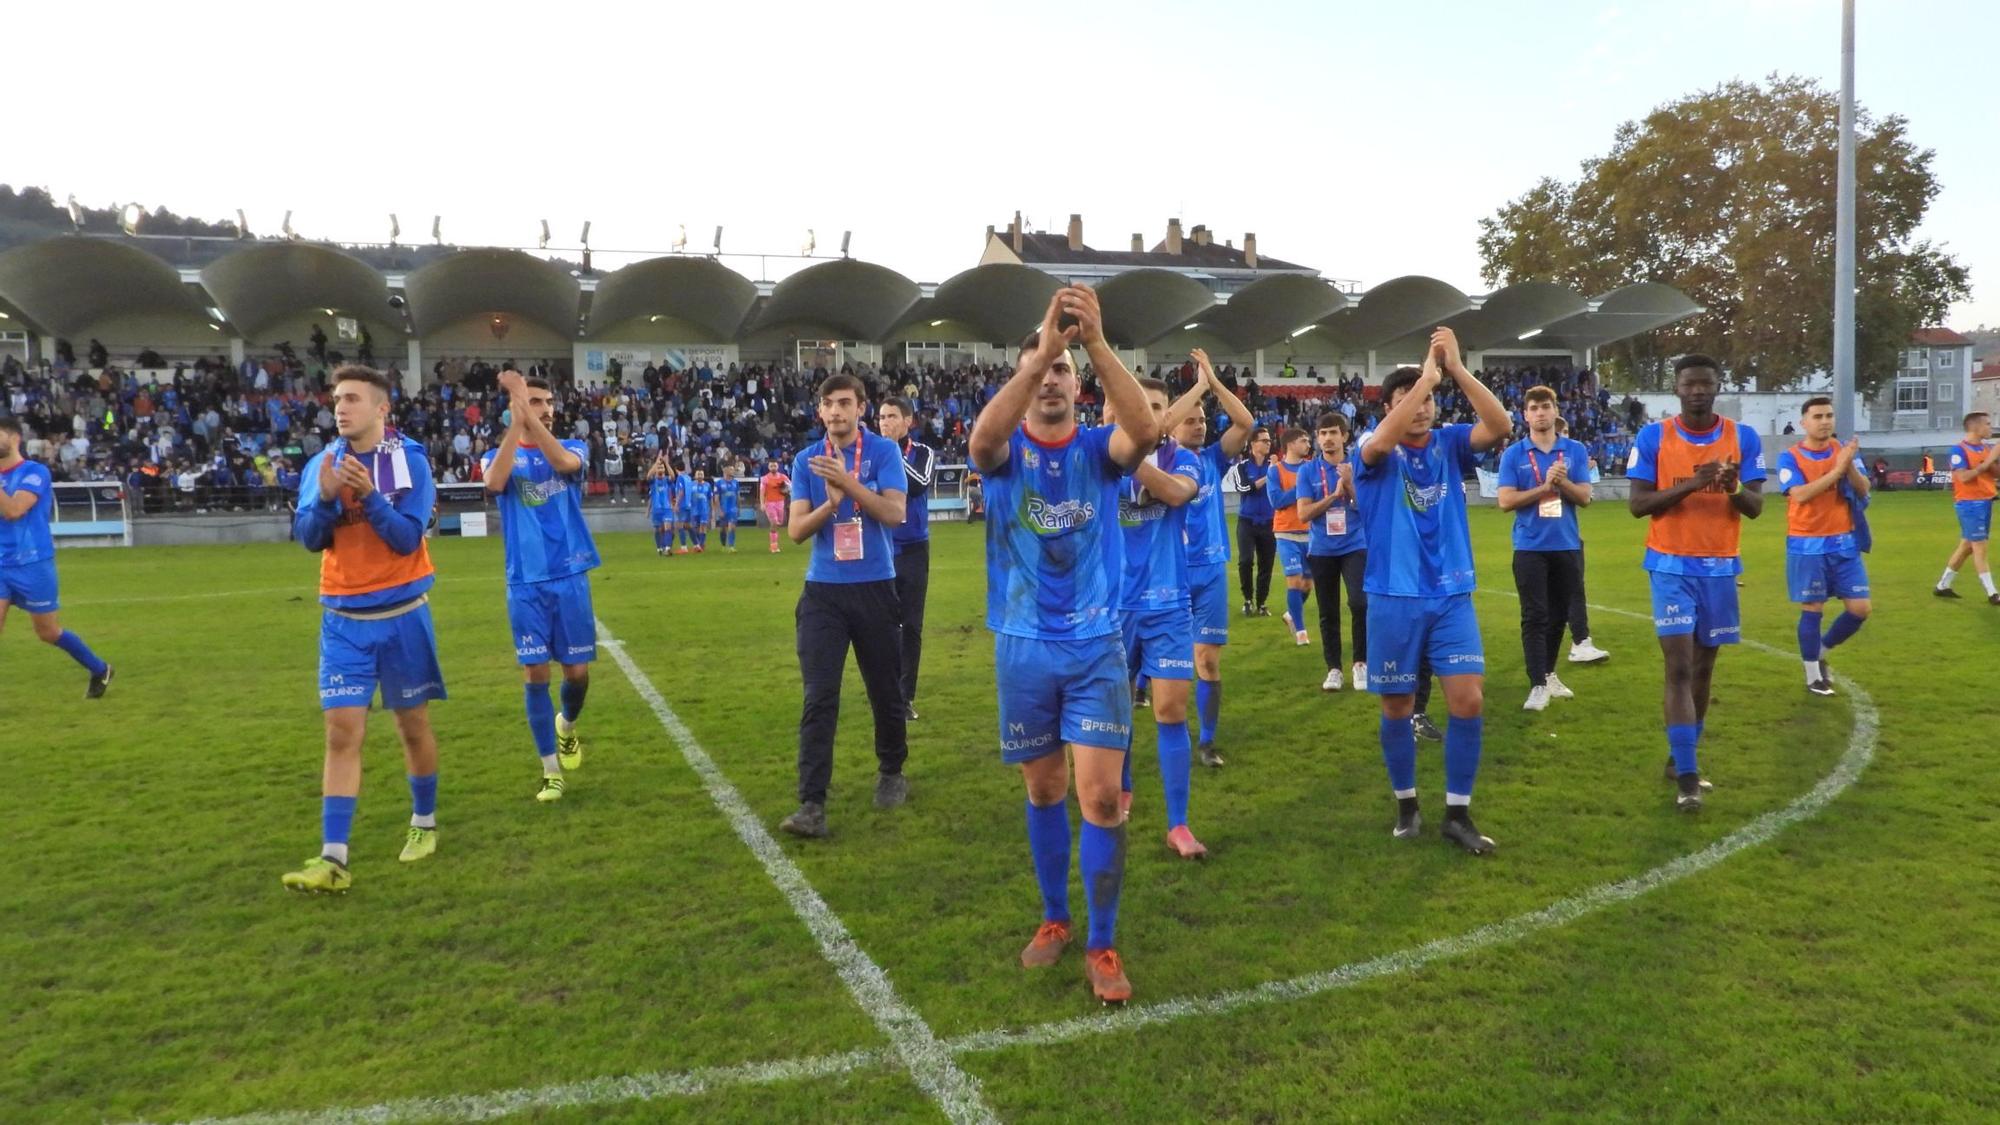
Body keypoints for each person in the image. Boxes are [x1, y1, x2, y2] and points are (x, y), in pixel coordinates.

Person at [969, 285, 1154, 1004]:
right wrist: (1042, 351)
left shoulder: (1097, 450)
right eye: (1040, 369)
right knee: (1044, 788)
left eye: (1060, 371)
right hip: (1022, 647)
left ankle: (1103, 944)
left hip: (1094, 646)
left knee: (1102, 799)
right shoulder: (1004, 451)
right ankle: (1055, 918)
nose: (1050, 378)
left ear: (1077, 386)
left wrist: (1096, 346)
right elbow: (981, 443)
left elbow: (1141, 432)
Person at [283, 365, 444, 893]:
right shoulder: (320, 464)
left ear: (382, 409)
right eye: (336, 400)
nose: (340, 408)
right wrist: (327, 498)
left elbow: (405, 539)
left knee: (411, 728)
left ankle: (423, 823)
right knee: (341, 732)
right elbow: (308, 538)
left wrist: (370, 496)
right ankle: (334, 858)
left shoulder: (408, 460)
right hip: (344, 622)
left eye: (352, 398)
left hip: (402, 617)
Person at [1355, 328, 1511, 854]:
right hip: (1393, 599)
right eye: (1408, 402)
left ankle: (1458, 814)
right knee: (1397, 705)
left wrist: (1457, 370)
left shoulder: (1449, 443)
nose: (1421, 409)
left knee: (1467, 700)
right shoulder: (1370, 448)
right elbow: (1380, 442)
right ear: (1391, 407)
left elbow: (1501, 425)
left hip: (1451, 596)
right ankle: (1406, 803)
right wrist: (1424, 378)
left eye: (1427, 402)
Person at [1626, 354, 1766, 812]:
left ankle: (1680, 755)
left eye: (1706, 383)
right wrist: (1692, 483)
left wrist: (1729, 487)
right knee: (1679, 667)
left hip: (1721, 567)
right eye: (1690, 384)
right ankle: (1688, 778)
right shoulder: (1653, 436)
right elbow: (1639, 505)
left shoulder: (1741, 437)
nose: (1698, 391)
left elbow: (1755, 507)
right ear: (1677, 389)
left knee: (1704, 669)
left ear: (1718, 386)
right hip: (1670, 567)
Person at [777, 373, 910, 839]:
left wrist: (849, 486)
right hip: (823, 593)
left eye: (845, 403)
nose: (836, 411)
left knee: (884, 691)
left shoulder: (883, 452)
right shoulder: (805, 460)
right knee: (820, 697)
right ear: (819, 411)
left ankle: (892, 771)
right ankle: (812, 803)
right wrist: (830, 505)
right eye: (828, 404)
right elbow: (795, 531)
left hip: (875, 586)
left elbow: (895, 513)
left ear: (861, 409)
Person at [482, 370, 600, 802]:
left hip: (570, 577)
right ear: (515, 409)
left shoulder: (572, 447)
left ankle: (566, 725)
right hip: (525, 582)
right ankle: (550, 771)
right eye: (535, 402)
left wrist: (527, 418)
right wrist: (518, 423)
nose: (547, 409)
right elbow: (493, 484)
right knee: (535, 672)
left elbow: (564, 466)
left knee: (578, 675)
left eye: (549, 402)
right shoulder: (499, 457)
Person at [1110, 377, 1206, 859]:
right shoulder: (1098, 455)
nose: (1145, 414)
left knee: (1170, 711)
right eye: (1137, 407)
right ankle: (1123, 787)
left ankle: (1178, 824)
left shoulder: (1185, 457)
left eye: (1154, 408)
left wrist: (1135, 454)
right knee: (1117, 709)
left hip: (1168, 603)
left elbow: (1173, 494)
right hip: (1110, 607)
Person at [1160, 349, 1253, 766]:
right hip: (1170, 570)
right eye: (1190, 420)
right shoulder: (1160, 459)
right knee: (1169, 662)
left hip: (1211, 569)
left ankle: (1206, 742)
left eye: (1202, 420)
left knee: (1207, 659)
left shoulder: (1214, 459)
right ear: (1174, 427)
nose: (1199, 426)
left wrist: (1213, 383)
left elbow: (1245, 423)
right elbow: (1153, 426)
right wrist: (1196, 387)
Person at [1496, 386, 1596, 711]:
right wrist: (1544, 487)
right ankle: (1537, 684)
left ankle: (1549, 673)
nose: (1540, 413)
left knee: (1558, 617)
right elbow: (1505, 501)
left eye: (1545, 407)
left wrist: (1562, 482)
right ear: (1525, 415)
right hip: (1529, 547)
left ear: (1556, 411)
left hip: (1566, 545)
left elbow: (1584, 497)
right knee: (1535, 615)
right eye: (1534, 408)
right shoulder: (1514, 454)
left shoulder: (1575, 450)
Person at [0, 417, 113, 698]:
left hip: (33, 564)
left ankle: (100, 669)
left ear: (15, 438)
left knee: (47, 632)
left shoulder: (34, 472)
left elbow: (14, 510)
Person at [1776, 396, 1871, 696]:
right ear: (1804, 422)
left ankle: (1820, 650)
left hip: (1844, 541)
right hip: (1807, 543)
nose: (1825, 421)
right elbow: (1800, 495)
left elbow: (1864, 488)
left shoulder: (1844, 451)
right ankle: (1813, 675)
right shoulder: (1789, 457)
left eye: (1829, 415)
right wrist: (1835, 471)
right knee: (1813, 607)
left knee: (1860, 608)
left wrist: (1848, 465)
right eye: (1817, 416)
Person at [1296, 411, 1367, 693]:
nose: (1327, 438)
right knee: (1328, 611)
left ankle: (1360, 663)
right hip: (1322, 548)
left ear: (1345, 436)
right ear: (1317, 438)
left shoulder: (1359, 466)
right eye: (1322, 433)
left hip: (1355, 544)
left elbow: (1368, 509)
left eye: (1333, 432)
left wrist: (1349, 484)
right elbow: (1303, 513)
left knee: (1360, 603)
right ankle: (1334, 669)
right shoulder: (1308, 471)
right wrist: (1333, 496)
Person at [877, 396, 934, 721]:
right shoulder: (869, 454)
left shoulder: (921, 453)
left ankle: (904, 696)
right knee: (882, 626)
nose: (885, 423)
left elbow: (918, 484)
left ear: (907, 421)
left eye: (892, 417)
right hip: (880, 548)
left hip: (913, 550)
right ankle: (884, 692)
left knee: (910, 626)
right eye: (882, 417)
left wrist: (891, 451)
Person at [1553, 417, 1610, 664]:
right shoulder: (1542, 462)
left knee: (1572, 591)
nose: (1567, 436)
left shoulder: (1571, 458)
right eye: (1562, 432)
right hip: (1548, 539)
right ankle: (1576, 644)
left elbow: (1585, 498)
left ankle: (1580, 641)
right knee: (1566, 593)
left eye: (1567, 431)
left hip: (1569, 535)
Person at [1934, 412, 2000, 603]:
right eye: (1987, 424)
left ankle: (1943, 585)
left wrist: (1994, 459)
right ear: (1975, 427)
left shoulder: (1986, 448)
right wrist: (1987, 462)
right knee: (1980, 547)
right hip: (1970, 504)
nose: (1991, 427)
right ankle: (1992, 593)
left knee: (1967, 546)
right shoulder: (1958, 450)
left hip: (1985, 501)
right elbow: (1963, 477)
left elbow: (1995, 473)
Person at [1265, 428, 1314, 646]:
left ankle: (1290, 615)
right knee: (1294, 581)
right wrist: (1301, 488)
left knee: (1307, 586)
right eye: (1304, 441)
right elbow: (1276, 501)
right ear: (1291, 444)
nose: (1308, 444)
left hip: (1311, 533)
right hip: (1286, 533)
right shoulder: (1275, 471)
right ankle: (1301, 632)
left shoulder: (1311, 468)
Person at [1232, 427, 1276, 616]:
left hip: (1269, 522)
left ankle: (1262, 602)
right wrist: (1269, 476)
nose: (1268, 443)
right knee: (1245, 560)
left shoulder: (1274, 466)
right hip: (1247, 521)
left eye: (1269, 440)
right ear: (1253, 444)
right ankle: (1247, 599)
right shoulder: (1241, 467)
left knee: (1266, 564)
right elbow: (1244, 487)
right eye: (1264, 440)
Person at [647, 454, 677, 556]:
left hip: (667, 508)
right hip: (656, 509)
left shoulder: (667, 481)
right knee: (659, 529)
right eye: (659, 467)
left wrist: (666, 463)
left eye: (662, 467)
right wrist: (656, 464)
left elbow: (673, 476)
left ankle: (667, 548)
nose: (660, 468)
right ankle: (659, 547)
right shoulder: (653, 481)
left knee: (668, 528)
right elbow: (648, 476)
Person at [759, 458, 790, 553]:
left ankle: (774, 542)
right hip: (770, 503)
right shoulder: (765, 479)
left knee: (779, 522)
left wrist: (786, 490)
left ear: (778, 467)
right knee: (774, 522)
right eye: (771, 466)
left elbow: (791, 488)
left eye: (775, 466)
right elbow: (762, 492)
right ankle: (773, 546)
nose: (773, 467)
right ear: (768, 467)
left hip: (780, 502)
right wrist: (762, 504)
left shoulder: (783, 477)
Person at [683, 469, 714, 553]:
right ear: (695, 476)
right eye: (698, 474)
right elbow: (687, 497)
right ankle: (698, 544)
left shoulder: (708, 485)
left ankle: (701, 544)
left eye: (701, 474)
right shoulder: (691, 485)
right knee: (695, 528)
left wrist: (712, 510)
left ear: (703, 476)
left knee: (703, 527)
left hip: (704, 510)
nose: (700, 476)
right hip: (693, 510)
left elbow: (710, 498)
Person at [715, 458, 742, 552]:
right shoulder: (718, 483)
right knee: (723, 528)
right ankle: (723, 545)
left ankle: (731, 546)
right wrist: (719, 510)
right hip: (723, 508)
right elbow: (716, 498)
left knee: (732, 527)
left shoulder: (736, 482)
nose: (732, 471)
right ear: (724, 470)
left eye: (733, 469)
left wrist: (739, 508)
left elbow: (738, 496)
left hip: (733, 509)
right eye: (731, 469)